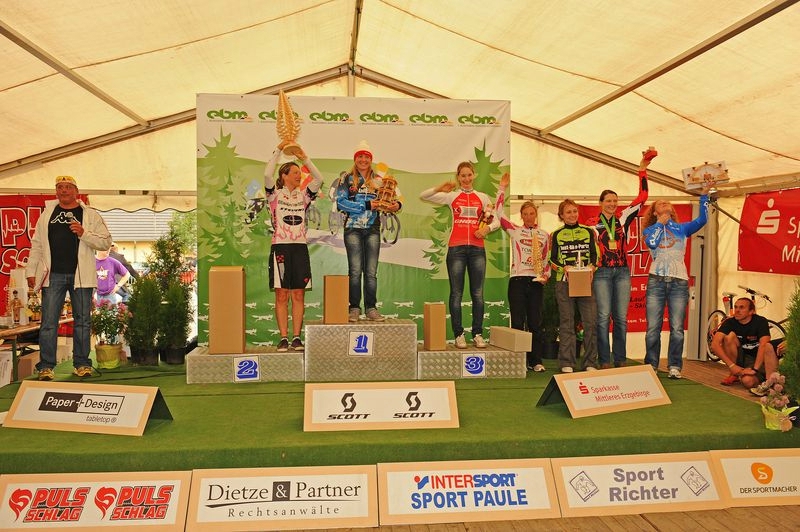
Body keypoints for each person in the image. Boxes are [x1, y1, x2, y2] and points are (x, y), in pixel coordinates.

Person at [25, 175, 112, 380]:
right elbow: (37, 245)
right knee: (48, 322)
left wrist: (83, 233)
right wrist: (31, 271)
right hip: (53, 275)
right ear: (56, 191)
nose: (63, 190)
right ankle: (46, 366)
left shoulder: (90, 214)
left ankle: (81, 364)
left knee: (83, 321)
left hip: (81, 276)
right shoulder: (47, 214)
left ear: (76, 191)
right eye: (60, 187)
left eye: (68, 187)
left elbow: (106, 242)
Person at [420, 161, 499, 349]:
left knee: (477, 293)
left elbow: (496, 220)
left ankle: (478, 334)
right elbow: (423, 195)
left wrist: (487, 229)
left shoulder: (482, 197)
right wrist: (441, 187)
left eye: (469, 175)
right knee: (456, 293)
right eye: (462, 175)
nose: (466, 178)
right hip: (456, 249)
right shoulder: (452, 196)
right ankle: (459, 335)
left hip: (477, 249)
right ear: (458, 177)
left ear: (474, 175)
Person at [591, 148, 655, 369]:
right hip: (601, 272)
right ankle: (603, 359)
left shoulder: (623, 217)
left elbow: (643, 197)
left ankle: (619, 359)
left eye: (615, 201)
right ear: (600, 203)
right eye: (608, 201)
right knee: (602, 317)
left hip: (622, 272)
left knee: (620, 318)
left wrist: (642, 170)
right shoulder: (591, 225)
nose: (612, 204)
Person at [642, 189, 710, 379]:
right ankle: (651, 365)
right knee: (653, 328)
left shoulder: (682, 228)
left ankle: (674, 366)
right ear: (654, 211)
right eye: (660, 203)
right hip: (656, 280)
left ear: (672, 209)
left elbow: (702, 220)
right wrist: (660, 223)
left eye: (667, 202)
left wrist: (704, 197)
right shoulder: (649, 230)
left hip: (679, 281)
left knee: (677, 328)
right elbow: (652, 243)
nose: (665, 203)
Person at [264, 141, 324, 352]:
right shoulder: (274, 195)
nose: (299, 175)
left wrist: (304, 158)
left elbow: (319, 179)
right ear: (284, 176)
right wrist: (279, 150)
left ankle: (296, 337)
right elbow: (267, 175)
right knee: (281, 295)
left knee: (298, 294)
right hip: (280, 247)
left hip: (299, 248)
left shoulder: (304, 195)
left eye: (300, 172)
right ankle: (283, 338)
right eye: (295, 172)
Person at [335, 140, 401, 322]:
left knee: (371, 272)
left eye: (366, 157)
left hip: (373, 228)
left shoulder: (380, 178)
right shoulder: (347, 178)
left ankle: (371, 308)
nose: (363, 160)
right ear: (355, 159)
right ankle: (354, 308)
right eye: (360, 156)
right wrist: (367, 205)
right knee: (355, 271)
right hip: (352, 229)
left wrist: (396, 205)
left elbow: (395, 197)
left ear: (371, 159)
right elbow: (341, 203)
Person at [495, 173, 550, 370]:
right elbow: (498, 213)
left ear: (536, 215)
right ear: (521, 216)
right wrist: (502, 188)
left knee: (535, 322)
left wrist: (545, 276)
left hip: (535, 281)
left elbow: (547, 260)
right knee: (518, 322)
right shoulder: (515, 230)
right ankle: (519, 362)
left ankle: (536, 361)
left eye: (531, 213)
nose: (528, 217)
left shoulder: (545, 235)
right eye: (525, 214)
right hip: (517, 280)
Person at [549, 199, 599, 372]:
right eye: (568, 212)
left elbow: (596, 255)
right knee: (567, 322)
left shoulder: (588, 231)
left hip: (585, 281)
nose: (572, 215)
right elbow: (551, 259)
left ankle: (590, 362)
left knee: (590, 322)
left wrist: (592, 267)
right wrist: (564, 268)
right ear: (561, 215)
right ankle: (567, 363)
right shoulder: (556, 234)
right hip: (564, 283)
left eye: (574, 211)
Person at [710, 297, 779, 394]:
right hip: (743, 359)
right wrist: (732, 366)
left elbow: (764, 345)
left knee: (748, 382)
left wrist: (755, 369)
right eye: (736, 307)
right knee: (729, 337)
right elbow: (715, 344)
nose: (737, 310)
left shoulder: (760, 321)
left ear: (751, 311)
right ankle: (735, 373)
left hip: (759, 360)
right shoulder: (730, 322)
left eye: (742, 307)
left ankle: (765, 381)